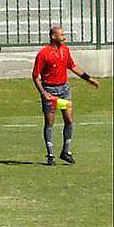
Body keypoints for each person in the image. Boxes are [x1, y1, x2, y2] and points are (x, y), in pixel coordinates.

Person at [32, 25, 100, 165]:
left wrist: (89, 79)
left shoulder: (65, 50)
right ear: (53, 36)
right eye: (61, 35)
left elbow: (72, 66)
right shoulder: (43, 54)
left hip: (64, 90)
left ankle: (66, 151)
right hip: (50, 92)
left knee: (69, 120)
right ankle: (50, 155)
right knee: (50, 122)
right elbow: (35, 76)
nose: (64, 37)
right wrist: (43, 93)